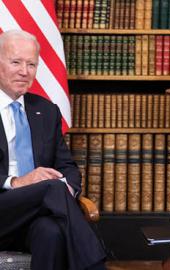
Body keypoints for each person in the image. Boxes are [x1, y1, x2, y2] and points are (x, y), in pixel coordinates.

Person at [0, 30, 106, 270]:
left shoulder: (46, 111)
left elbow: (67, 166)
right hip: (3, 210)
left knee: (51, 232)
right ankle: (97, 264)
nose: (24, 71)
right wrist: (16, 182)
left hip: (36, 214)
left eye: (31, 64)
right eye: (15, 62)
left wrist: (66, 186)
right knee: (51, 188)